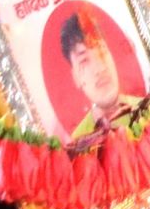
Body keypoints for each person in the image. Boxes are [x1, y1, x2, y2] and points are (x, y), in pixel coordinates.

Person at [60, 9, 142, 139]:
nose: (99, 68)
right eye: (84, 60)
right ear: (76, 78)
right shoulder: (78, 142)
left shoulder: (149, 109)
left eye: (102, 52)